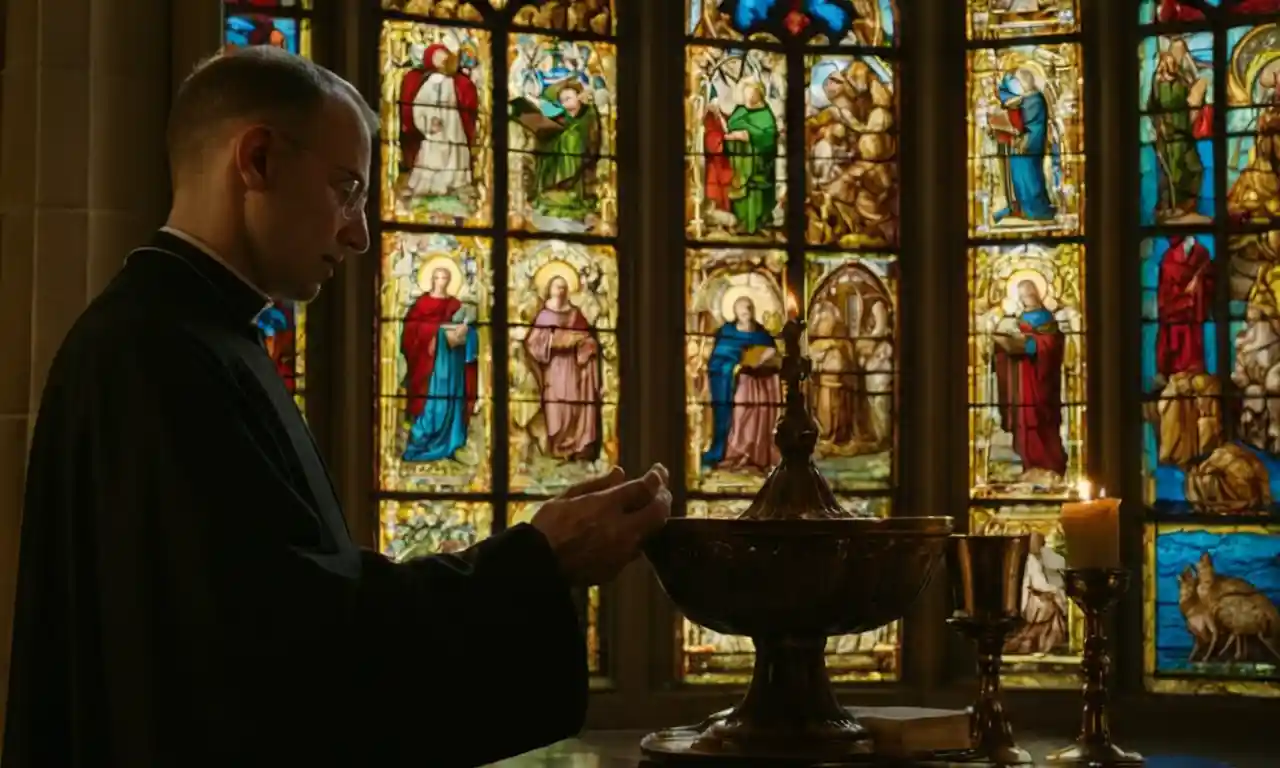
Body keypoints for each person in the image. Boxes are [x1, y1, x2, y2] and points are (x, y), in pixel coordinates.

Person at [2, 46, 671, 767]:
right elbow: (285, 650)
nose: (359, 235)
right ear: (256, 160)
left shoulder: (184, 336)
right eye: (347, 190)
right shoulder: (157, 356)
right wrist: (538, 563)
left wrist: (537, 560)